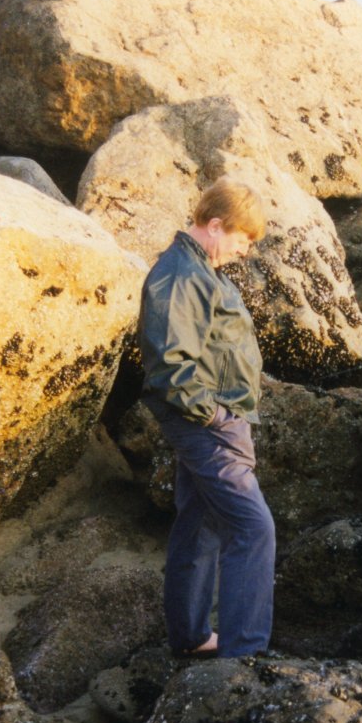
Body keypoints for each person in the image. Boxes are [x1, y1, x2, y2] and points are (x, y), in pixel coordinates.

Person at [139, 177, 276, 659]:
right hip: (207, 425)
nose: (246, 250)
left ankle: (191, 636)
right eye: (243, 239)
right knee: (252, 528)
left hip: (214, 420)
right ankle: (245, 655)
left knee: (200, 524)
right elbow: (168, 366)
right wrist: (216, 417)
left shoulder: (200, 270)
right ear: (215, 226)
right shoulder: (181, 275)